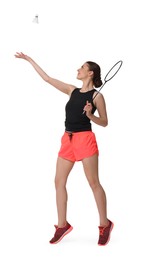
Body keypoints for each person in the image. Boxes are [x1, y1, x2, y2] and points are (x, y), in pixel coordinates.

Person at [14, 52, 114, 246]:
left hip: (85, 139)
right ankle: (62, 225)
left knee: (93, 183)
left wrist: (89, 114)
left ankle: (104, 224)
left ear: (90, 73)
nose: (78, 69)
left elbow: (105, 122)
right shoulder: (72, 90)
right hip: (67, 139)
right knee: (58, 182)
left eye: (82, 67)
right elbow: (47, 78)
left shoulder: (97, 96)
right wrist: (29, 59)